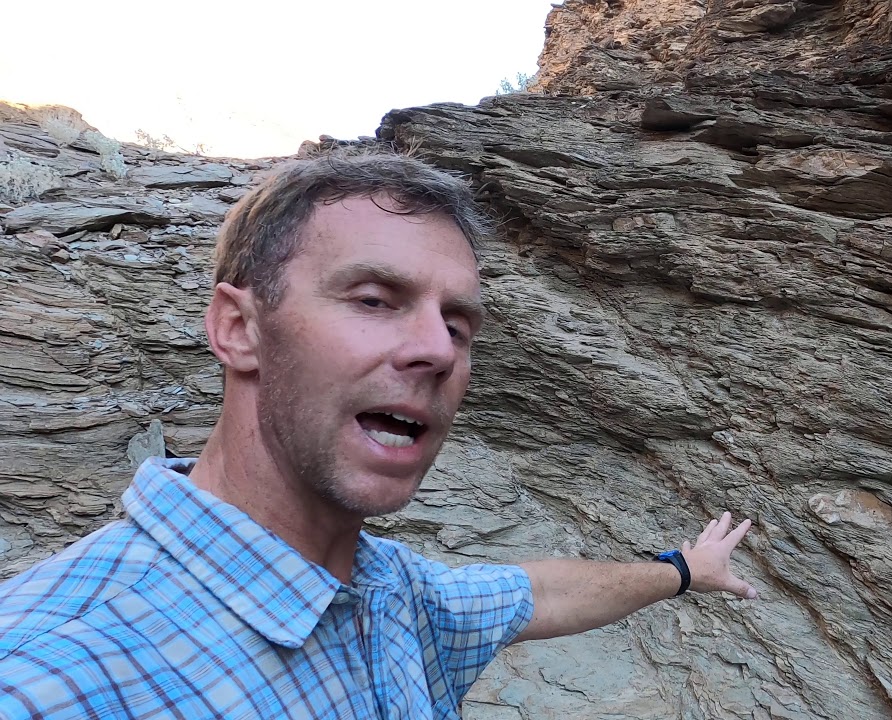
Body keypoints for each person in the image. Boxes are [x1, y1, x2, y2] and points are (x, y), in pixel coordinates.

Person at [0, 151, 758, 719]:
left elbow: (537, 594)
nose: (438, 350)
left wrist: (683, 569)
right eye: (374, 299)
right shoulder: (48, 680)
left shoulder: (392, 592)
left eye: (458, 324)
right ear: (238, 329)